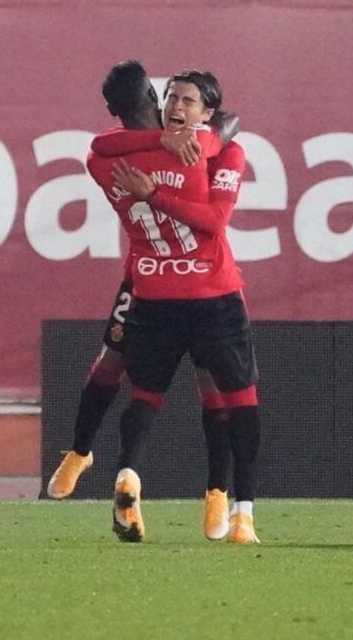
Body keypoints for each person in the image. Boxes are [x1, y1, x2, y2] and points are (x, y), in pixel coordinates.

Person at [47, 61, 239, 542]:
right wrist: (175, 138)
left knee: (112, 362)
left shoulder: (103, 157)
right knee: (209, 378)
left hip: (142, 273)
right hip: (188, 274)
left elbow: (100, 146)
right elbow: (229, 128)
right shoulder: (187, 146)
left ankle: (79, 452)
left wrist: (160, 138)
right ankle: (218, 494)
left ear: (112, 110)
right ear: (155, 99)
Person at [87, 65, 262, 544]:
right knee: (227, 399)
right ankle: (225, 501)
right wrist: (173, 152)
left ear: (206, 111)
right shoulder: (207, 148)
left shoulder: (137, 155)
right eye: (172, 99)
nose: (177, 107)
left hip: (154, 290)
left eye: (188, 101)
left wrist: (155, 186)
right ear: (158, 103)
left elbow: (102, 148)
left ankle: (207, 498)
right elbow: (214, 220)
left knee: (147, 391)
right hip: (206, 294)